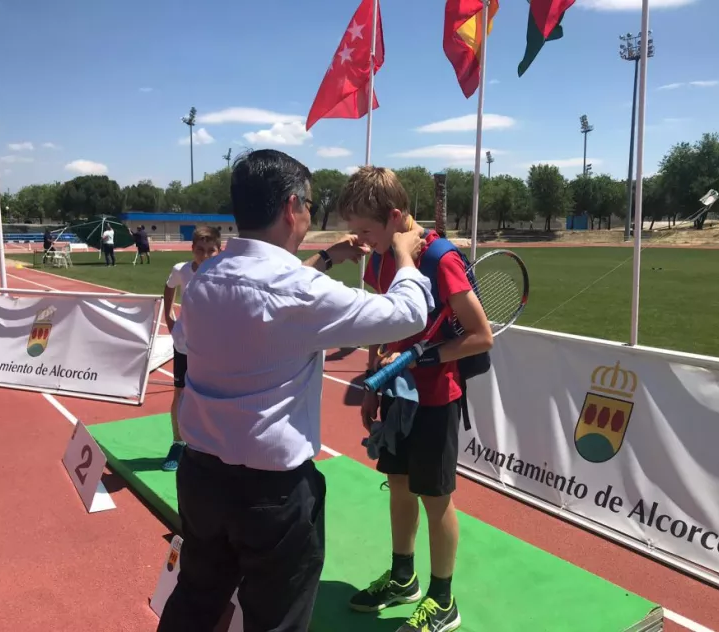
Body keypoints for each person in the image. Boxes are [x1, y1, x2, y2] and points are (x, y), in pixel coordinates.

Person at [157, 149, 434, 632]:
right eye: (309, 203)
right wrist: (406, 256)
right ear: (291, 207)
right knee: (276, 622)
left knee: (195, 602)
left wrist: (326, 258)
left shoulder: (204, 280)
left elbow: (260, 302)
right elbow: (408, 313)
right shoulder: (300, 290)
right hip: (272, 497)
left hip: (201, 480)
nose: (309, 213)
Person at [338, 166, 494, 632]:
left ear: (394, 216)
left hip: (437, 399)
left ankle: (443, 600)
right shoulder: (379, 258)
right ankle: (403, 578)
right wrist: (374, 379)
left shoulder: (440, 258)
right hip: (397, 395)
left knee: (435, 498)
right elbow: (382, 322)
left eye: (366, 231)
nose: (361, 241)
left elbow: (481, 336)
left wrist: (424, 358)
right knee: (399, 486)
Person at [161, 226, 222, 472]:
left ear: (219, 251)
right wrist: (168, 317)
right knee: (180, 394)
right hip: (185, 344)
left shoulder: (225, 272)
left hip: (214, 347)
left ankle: (211, 444)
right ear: (192, 249)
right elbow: (169, 287)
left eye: (211, 250)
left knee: (215, 395)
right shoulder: (182, 270)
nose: (205, 255)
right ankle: (178, 443)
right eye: (200, 250)